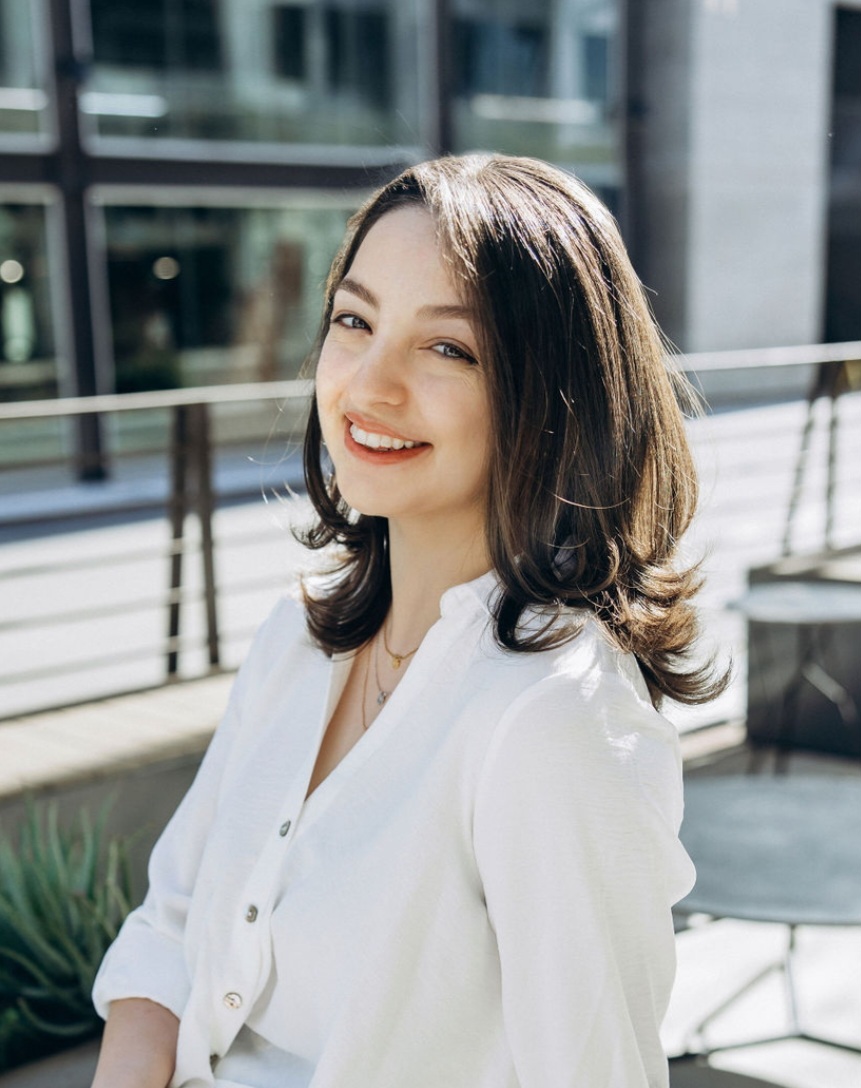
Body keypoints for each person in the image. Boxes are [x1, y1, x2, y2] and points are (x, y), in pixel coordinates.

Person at [91, 153, 723, 1088]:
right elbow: (170, 929)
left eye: (448, 348)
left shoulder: (552, 722)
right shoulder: (296, 646)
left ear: (554, 401)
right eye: (355, 321)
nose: (369, 386)